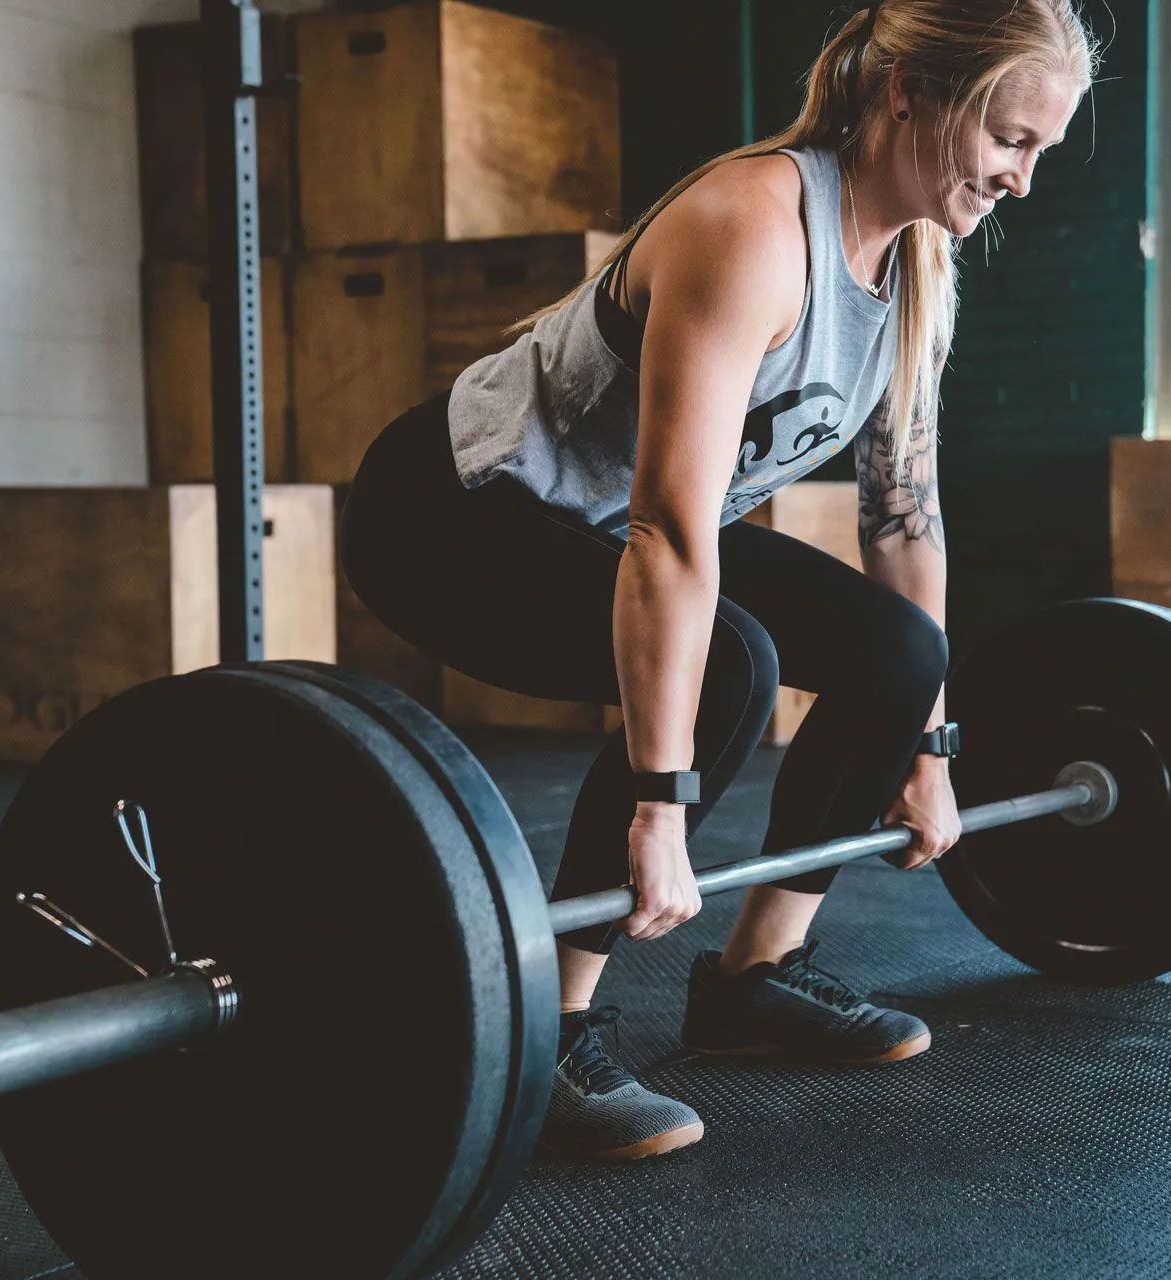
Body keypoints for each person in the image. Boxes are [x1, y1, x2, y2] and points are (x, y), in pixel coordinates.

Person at [341, 0, 1095, 1161]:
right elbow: (671, 534)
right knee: (731, 660)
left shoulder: (918, 273)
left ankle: (757, 975)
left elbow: (905, 522)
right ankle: (548, 1033)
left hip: (616, 522)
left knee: (902, 648)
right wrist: (660, 803)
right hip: (452, 508)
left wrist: (929, 751)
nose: (1025, 181)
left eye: (1040, 148)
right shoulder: (751, 224)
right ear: (912, 94)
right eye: (1010, 139)